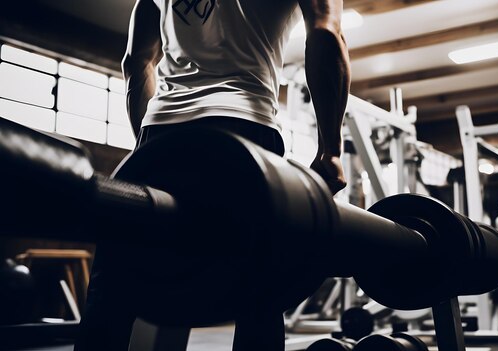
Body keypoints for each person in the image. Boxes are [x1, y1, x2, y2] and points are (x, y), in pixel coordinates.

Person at [75, 0, 351, 350]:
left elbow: (136, 62)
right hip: (245, 125)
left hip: (160, 129)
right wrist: (331, 151)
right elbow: (327, 32)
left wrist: (149, 150)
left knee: (113, 286)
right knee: (260, 294)